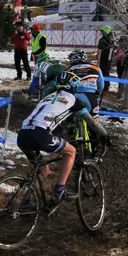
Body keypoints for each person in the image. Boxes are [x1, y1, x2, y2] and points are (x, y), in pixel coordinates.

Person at [17, 72, 96, 204]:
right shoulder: (74, 100)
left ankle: (26, 201)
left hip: (23, 134)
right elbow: (92, 123)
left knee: (43, 169)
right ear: (74, 87)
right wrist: (105, 135)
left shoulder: (47, 97)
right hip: (39, 134)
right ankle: (59, 191)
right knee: (71, 152)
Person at [97, 25, 116, 94]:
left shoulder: (107, 39)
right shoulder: (109, 38)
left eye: (102, 31)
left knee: (104, 72)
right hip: (106, 58)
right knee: (104, 72)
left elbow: (101, 51)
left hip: (106, 59)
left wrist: (98, 62)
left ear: (106, 31)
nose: (101, 33)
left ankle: (105, 86)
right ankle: (105, 86)